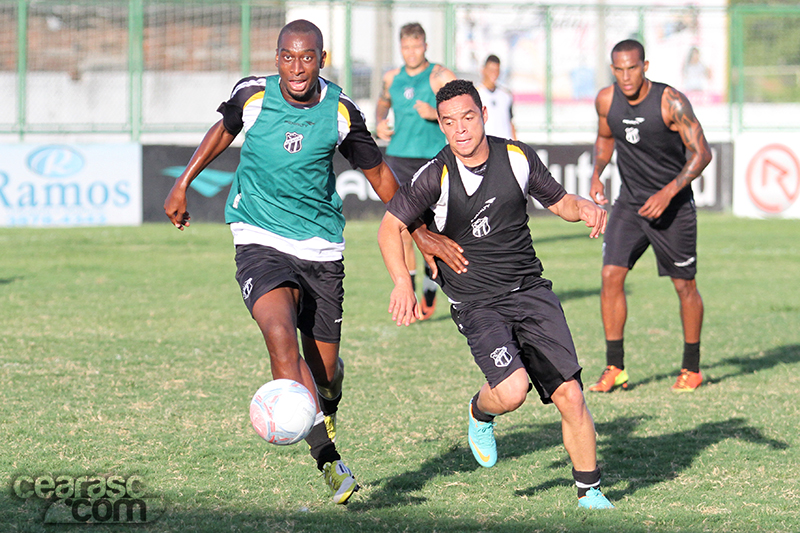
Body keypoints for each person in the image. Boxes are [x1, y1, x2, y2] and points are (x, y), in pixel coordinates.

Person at [163, 19, 464, 505]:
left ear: (321, 60)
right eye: (288, 56)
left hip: (321, 250)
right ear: (276, 56)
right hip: (258, 236)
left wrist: (422, 231)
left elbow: (379, 175)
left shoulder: (340, 111)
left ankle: (327, 401)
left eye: (307, 57)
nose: (297, 67)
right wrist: (182, 183)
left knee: (325, 373)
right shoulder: (252, 95)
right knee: (280, 338)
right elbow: (223, 131)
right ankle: (328, 459)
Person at [378, 79, 614, 510]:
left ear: (484, 115)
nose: (460, 129)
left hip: (530, 290)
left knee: (572, 395)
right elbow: (389, 227)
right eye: (449, 122)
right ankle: (480, 413)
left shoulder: (517, 157)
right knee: (511, 392)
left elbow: (560, 202)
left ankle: (590, 493)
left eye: (468, 117)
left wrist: (584, 208)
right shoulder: (436, 174)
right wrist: (401, 281)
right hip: (476, 302)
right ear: (442, 128)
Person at [588, 39, 712, 393]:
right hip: (630, 204)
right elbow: (604, 138)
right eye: (619, 69)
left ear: (645, 66)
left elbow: (702, 153)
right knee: (611, 275)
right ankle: (615, 367)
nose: (626, 76)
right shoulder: (606, 100)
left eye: (633, 67)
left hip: (672, 206)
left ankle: (692, 368)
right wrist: (598, 173)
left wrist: (668, 192)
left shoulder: (671, 101)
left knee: (684, 286)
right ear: (613, 69)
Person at [376, 22, 456, 320]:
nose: (411, 52)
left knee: (434, 230)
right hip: (398, 159)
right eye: (406, 47)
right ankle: (407, 294)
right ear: (401, 48)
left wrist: (435, 114)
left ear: (425, 46)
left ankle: (430, 292)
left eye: (417, 46)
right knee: (404, 230)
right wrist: (380, 122)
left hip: (432, 162)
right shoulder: (392, 78)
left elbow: (466, 107)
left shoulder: (439, 75)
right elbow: (382, 105)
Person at [476, 54, 517, 140]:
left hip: (505, 144)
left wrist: (515, 141)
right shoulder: (476, 94)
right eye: (491, 70)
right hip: (486, 145)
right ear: (483, 70)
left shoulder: (506, 95)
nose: (494, 74)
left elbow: (510, 121)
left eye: (496, 70)